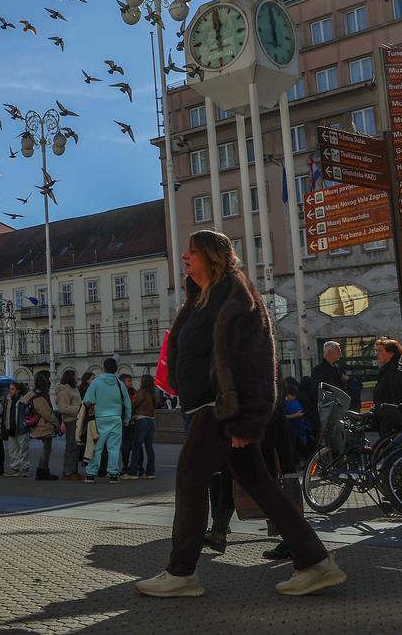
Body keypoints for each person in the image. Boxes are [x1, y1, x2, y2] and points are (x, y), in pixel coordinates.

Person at [135, 229, 344, 598]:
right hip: (208, 405)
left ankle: (181, 572)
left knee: (189, 475)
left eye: (193, 252)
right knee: (257, 481)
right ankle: (316, 562)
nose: (185, 257)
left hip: (220, 408)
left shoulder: (234, 295)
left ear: (213, 257)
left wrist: (246, 418)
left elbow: (255, 360)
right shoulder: (201, 298)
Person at [84, 359, 130, 484]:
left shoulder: (96, 382)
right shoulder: (120, 384)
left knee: (97, 447)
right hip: (116, 418)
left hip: (99, 418)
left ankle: (90, 473)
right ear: (116, 369)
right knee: (114, 448)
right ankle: (113, 474)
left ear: (103, 368)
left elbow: (87, 400)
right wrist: (127, 418)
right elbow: (127, 403)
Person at [372, 337, 402, 437]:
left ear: (391, 354)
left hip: (392, 425)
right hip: (385, 422)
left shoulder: (394, 372)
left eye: (380, 350)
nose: (377, 354)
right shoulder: (386, 370)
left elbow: (397, 400)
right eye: (376, 350)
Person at [26, 371, 59, 480]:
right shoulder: (40, 396)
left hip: (38, 424)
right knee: (47, 449)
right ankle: (43, 471)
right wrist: (57, 423)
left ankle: (40, 471)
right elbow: (47, 413)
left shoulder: (33, 394)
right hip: (43, 425)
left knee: (45, 448)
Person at [125, 375, 158, 480]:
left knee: (136, 446)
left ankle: (132, 472)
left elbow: (134, 404)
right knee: (149, 447)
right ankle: (150, 472)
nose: (139, 381)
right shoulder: (152, 393)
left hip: (142, 420)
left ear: (144, 382)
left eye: (140, 380)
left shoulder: (141, 392)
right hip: (151, 421)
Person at [57, 370, 83, 480]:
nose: (77, 378)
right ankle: (68, 471)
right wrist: (80, 409)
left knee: (76, 446)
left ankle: (73, 470)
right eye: (75, 376)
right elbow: (63, 408)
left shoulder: (74, 389)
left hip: (77, 420)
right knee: (71, 446)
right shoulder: (64, 391)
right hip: (71, 420)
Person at [3, 381, 30, 476]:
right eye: (10, 388)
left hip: (21, 427)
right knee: (13, 449)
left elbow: (26, 414)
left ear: (18, 390)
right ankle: (15, 468)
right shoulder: (8, 400)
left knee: (23, 449)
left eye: (12, 389)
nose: (10, 391)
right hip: (11, 426)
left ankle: (24, 469)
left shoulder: (23, 400)